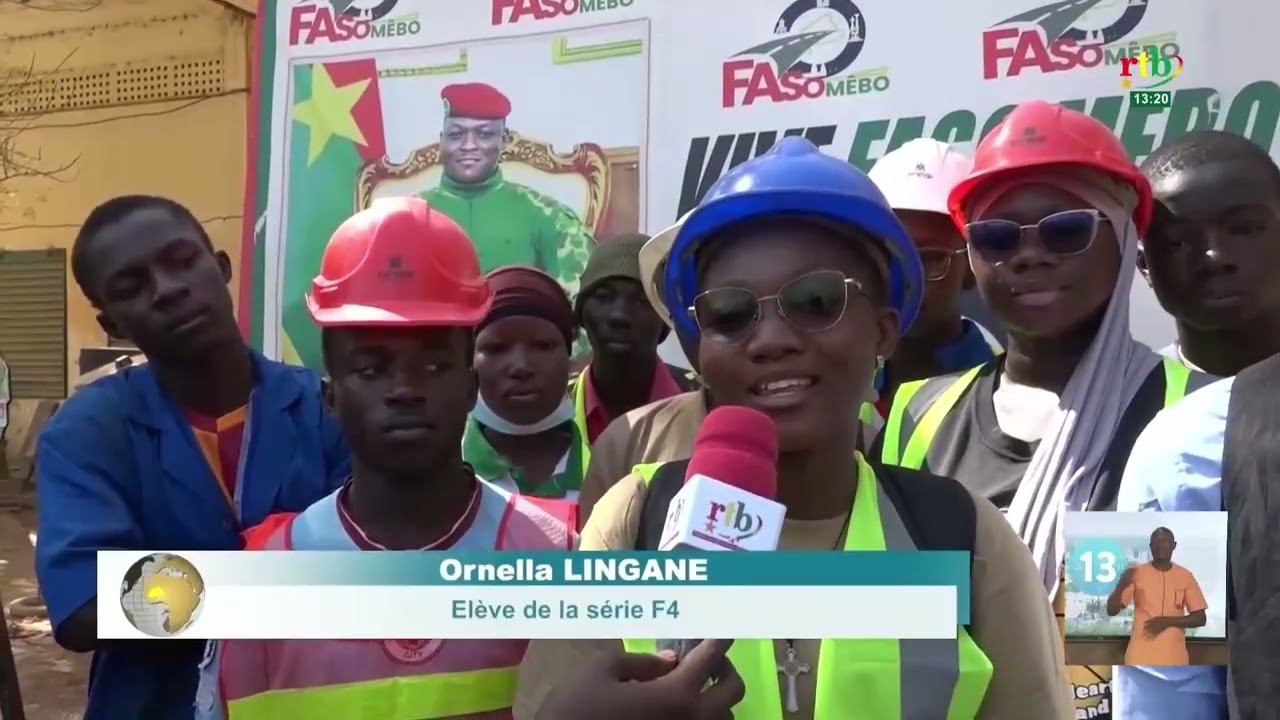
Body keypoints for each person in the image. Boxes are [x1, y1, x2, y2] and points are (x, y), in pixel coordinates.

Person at [521, 137, 1071, 718]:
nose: (772, 339)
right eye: (730, 314)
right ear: (700, 348)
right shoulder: (634, 520)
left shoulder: (965, 537)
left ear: (883, 332)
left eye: (816, 301)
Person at [871, 101, 1215, 720]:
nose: (1029, 256)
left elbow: (1169, 678)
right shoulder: (917, 416)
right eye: (996, 237)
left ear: (1124, 237)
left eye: (1064, 230)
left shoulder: (1184, 414)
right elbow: (886, 623)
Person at [207, 197, 574, 719]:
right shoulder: (264, 577)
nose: (404, 389)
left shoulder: (556, 557)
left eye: (432, 364)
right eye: (372, 368)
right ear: (329, 399)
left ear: (471, 387)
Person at [35, 195, 350, 718]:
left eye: (182, 261)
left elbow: (381, 574)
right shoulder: (87, 431)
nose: (167, 291)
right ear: (110, 321)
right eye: (131, 287)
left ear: (221, 268)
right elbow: (87, 607)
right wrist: (301, 581)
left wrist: (161, 585)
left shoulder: (324, 410)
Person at [866, 138, 1002, 419]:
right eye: (890, 256)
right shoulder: (835, 376)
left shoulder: (1004, 393)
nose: (907, 279)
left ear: (972, 268)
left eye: (930, 259)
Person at [419, 81, 596, 291]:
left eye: (484, 135)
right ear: (442, 140)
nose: (468, 146)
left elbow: (581, 299)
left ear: (504, 140)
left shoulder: (547, 215)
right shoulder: (407, 217)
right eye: (456, 135)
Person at [1137, 130, 1280, 375]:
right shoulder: (1122, 405)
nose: (1215, 257)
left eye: (1244, 229)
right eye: (1177, 241)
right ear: (1145, 266)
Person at [464, 265, 587, 510]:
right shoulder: (437, 476)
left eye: (542, 345)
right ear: (469, 359)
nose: (521, 367)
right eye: (497, 348)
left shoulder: (611, 471)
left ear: (569, 354)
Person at [571, 232, 695, 447]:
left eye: (640, 301)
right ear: (582, 312)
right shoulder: (553, 408)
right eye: (604, 297)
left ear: (665, 317)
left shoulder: (706, 401)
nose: (619, 315)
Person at [1104, 527, 1207, 666]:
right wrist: (1121, 586)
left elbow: (1200, 618)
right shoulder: (1136, 573)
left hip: (1175, 659)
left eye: (1164, 541)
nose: (1160, 545)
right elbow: (1112, 610)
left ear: (1174, 545)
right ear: (1151, 546)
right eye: (1156, 542)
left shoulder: (1185, 576)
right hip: (1139, 657)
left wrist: (1165, 622)